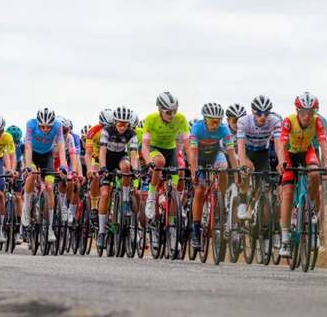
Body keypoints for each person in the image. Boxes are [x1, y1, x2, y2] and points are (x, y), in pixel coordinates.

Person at [277, 92, 327, 257]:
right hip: (290, 154)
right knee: (287, 192)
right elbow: (281, 144)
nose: (307, 116)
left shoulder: (317, 122)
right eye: (303, 112)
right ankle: (285, 238)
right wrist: (281, 162)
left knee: (315, 174)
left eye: (311, 112)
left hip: (306, 151)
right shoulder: (289, 121)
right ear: (297, 111)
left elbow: (323, 144)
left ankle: (311, 216)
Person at [189, 102, 238, 248]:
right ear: (205, 120)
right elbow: (193, 153)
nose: (215, 124)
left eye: (218, 121)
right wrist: (194, 171)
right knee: (199, 190)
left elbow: (231, 153)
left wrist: (236, 172)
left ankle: (221, 197)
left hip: (216, 155)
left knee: (223, 168)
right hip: (200, 158)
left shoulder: (224, 130)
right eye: (212, 121)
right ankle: (196, 230)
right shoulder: (197, 128)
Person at [96, 106, 141, 249]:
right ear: (115, 122)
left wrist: (135, 169)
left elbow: (133, 154)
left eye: (125, 124)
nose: (122, 127)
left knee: (127, 168)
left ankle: (126, 199)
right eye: (120, 124)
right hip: (107, 159)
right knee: (104, 194)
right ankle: (102, 232)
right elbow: (102, 152)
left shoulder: (132, 133)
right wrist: (103, 167)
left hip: (121, 157)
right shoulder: (106, 131)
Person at [140, 92, 189, 220]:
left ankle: (174, 216)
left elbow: (188, 144)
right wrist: (149, 161)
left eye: (174, 111)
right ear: (160, 110)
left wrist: (193, 164)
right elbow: (144, 145)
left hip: (170, 149)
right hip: (154, 148)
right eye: (168, 112)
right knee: (159, 162)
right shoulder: (151, 119)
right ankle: (151, 198)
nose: (172, 115)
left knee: (174, 185)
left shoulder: (181, 119)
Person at [22, 108, 67, 243]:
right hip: (32, 155)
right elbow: (28, 146)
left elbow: (61, 145)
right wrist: (28, 166)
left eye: (49, 126)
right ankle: (27, 205)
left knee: (49, 187)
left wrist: (64, 166)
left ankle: (51, 228)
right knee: (31, 176)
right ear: (38, 123)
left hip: (47, 156)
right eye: (43, 126)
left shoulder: (58, 125)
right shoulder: (31, 124)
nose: (46, 129)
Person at [235, 95, 282, 219]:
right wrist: (243, 163)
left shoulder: (275, 121)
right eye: (259, 113)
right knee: (247, 170)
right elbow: (240, 146)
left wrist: (281, 162)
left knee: (265, 186)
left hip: (262, 152)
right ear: (252, 112)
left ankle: (258, 211)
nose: (263, 117)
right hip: (247, 151)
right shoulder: (243, 121)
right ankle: (243, 202)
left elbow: (278, 145)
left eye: (266, 114)